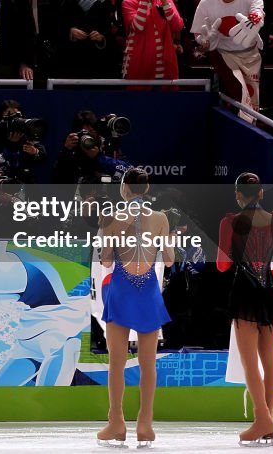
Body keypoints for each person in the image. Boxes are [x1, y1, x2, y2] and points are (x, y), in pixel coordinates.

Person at [95, 167, 172, 447]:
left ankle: (116, 421)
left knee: (116, 361)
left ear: (124, 188)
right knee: (147, 362)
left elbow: (104, 260)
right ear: (147, 187)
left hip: (121, 290)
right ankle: (146, 424)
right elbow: (170, 259)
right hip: (148, 290)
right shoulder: (161, 218)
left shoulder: (111, 216)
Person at [217, 173, 273, 446]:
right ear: (260, 193)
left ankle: (262, 419)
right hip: (269, 293)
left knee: (250, 363)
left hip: (245, 293)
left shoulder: (230, 222)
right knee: (268, 360)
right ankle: (269, 421)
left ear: (238, 195)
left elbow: (222, 265)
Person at [191, 0, 265, 115]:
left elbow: (257, 10)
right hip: (224, 57)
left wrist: (255, 18)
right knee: (233, 99)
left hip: (251, 57)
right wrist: (203, 42)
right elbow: (198, 33)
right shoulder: (206, 3)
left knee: (252, 103)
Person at [43, 0, 119, 79]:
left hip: (97, 68)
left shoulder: (105, 2)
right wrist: (69, 32)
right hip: (67, 66)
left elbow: (111, 34)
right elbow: (51, 31)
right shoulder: (61, 0)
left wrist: (101, 38)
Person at [122, 0, 185, 81]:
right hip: (138, 62)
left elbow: (177, 26)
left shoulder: (166, 0)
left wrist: (164, 1)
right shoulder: (128, 3)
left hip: (163, 64)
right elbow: (138, 26)